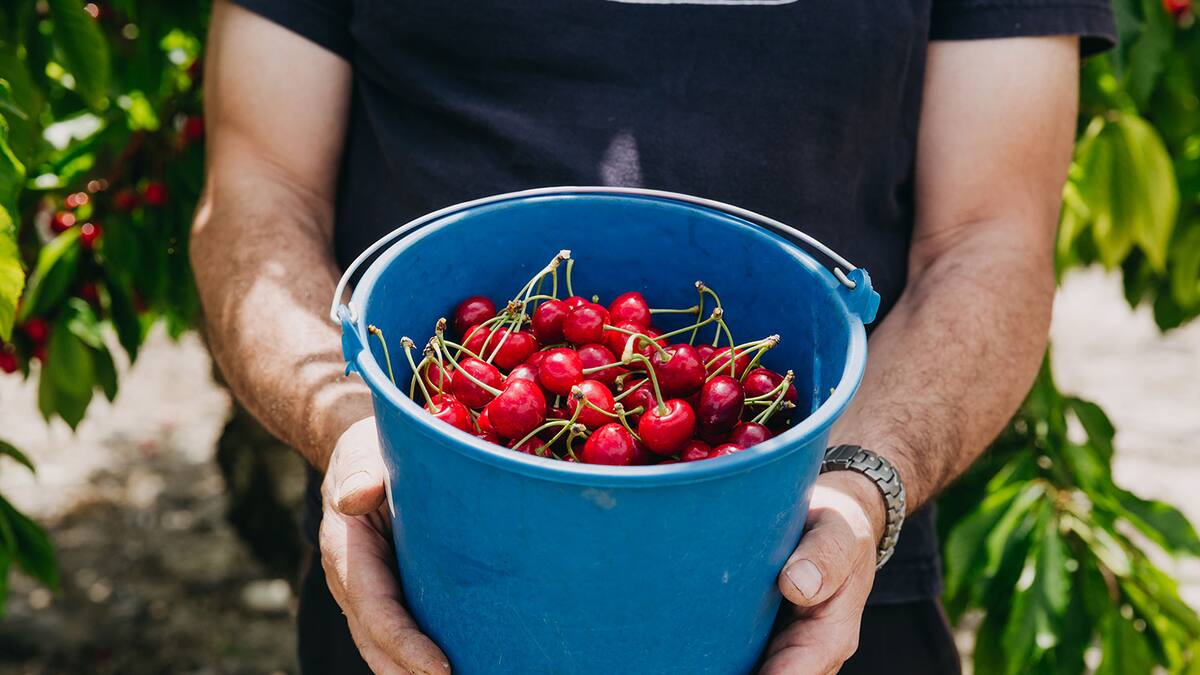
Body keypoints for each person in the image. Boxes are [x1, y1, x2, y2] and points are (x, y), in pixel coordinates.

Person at [191, 1, 1114, 672]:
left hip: (808, 584)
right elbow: (258, 193)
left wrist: (863, 485)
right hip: (432, 571)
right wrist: (356, 431)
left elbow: (988, 240)